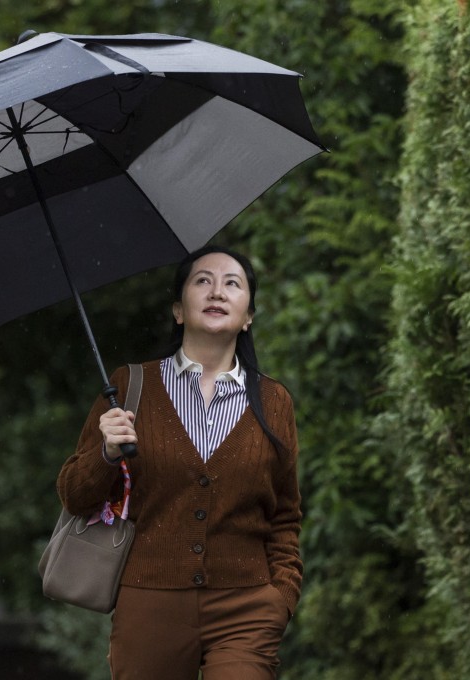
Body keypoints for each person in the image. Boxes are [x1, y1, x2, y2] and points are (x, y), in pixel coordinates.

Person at [57, 245, 302, 680]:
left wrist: (280, 597)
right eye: (202, 280)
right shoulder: (130, 386)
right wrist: (106, 455)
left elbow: (285, 515)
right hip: (148, 604)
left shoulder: (274, 401)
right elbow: (76, 496)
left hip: (247, 607)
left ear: (248, 317)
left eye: (233, 283)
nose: (217, 291)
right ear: (178, 310)